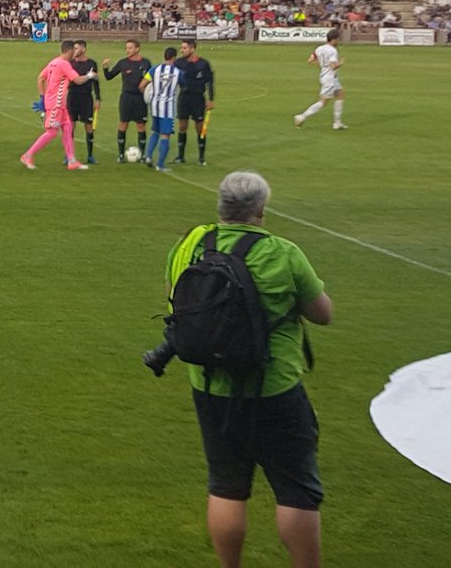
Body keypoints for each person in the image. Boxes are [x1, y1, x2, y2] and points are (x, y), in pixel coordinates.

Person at [164, 171, 332, 568]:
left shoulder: (191, 242)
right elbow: (323, 313)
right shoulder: (282, 252)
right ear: (260, 209)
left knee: (226, 485)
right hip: (273, 386)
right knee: (296, 490)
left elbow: (176, 302)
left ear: (221, 206)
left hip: (209, 385)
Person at [21, 40, 94, 171]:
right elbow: (77, 80)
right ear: (70, 51)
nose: (76, 53)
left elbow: (40, 78)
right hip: (56, 103)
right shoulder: (64, 64)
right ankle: (28, 155)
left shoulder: (53, 62)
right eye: (75, 50)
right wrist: (89, 75)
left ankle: (71, 160)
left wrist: (42, 97)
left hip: (59, 104)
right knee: (51, 132)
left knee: (67, 129)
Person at [102, 39, 152, 162]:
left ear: (137, 48)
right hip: (126, 97)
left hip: (140, 98)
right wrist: (105, 68)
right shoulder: (123, 63)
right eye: (126, 48)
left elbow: (151, 80)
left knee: (140, 125)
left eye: (130, 48)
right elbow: (109, 77)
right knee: (123, 123)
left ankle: (142, 154)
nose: (127, 50)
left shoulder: (146, 63)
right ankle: (120, 155)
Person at [294, 30, 347, 130]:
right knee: (323, 102)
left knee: (340, 95)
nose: (339, 41)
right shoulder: (332, 50)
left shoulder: (319, 48)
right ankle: (301, 116)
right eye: (338, 39)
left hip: (327, 76)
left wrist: (322, 66)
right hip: (330, 78)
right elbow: (333, 66)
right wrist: (340, 63)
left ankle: (337, 123)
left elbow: (310, 60)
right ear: (334, 39)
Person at [175, 39, 215, 166]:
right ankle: (180, 156)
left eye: (185, 48)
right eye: (182, 48)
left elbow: (210, 82)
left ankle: (201, 157)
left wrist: (211, 99)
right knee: (182, 126)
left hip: (198, 98)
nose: (182, 50)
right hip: (184, 97)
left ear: (192, 49)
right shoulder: (178, 63)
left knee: (199, 127)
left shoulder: (203, 64)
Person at [140, 46, 180, 171]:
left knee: (155, 131)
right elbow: (185, 86)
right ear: (174, 57)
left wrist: (148, 97)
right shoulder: (178, 72)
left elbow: (141, 85)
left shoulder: (154, 69)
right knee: (165, 135)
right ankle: (160, 165)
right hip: (167, 108)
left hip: (155, 106)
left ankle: (148, 156)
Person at [68, 39, 102, 165]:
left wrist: (98, 98)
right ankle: (69, 155)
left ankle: (90, 155)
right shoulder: (70, 63)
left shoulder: (91, 63)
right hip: (72, 97)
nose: (75, 51)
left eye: (77, 48)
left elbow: (95, 81)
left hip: (86, 97)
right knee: (70, 126)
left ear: (84, 49)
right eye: (74, 48)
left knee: (88, 126)